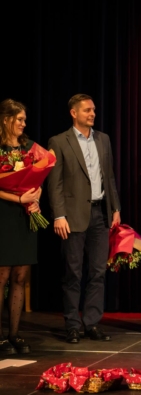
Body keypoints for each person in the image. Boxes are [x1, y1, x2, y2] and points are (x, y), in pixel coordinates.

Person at [47, 94, 121, 344]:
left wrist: (115, 208)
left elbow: (109, 177)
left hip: (100, 213)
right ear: (74, 113)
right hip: (73, 216)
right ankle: (72, 324)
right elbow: (55, 183)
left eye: (93, 110)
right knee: (73, 273)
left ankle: (92, 323)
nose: (92, 114)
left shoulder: (103, 139)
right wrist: (59, 215)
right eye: (87, 110)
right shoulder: (59, 141)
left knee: (98, 272)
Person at [0, 99, 42, 354]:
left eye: (25, 119)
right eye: (19, 119)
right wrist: (18, 198)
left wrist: (35, 198)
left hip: (24, 216)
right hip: (3, 215)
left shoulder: (29, 147)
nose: (24, 124)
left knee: (20, 276)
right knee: (2, 275)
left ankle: (14, 334)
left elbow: (40, 176)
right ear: (6, 120)